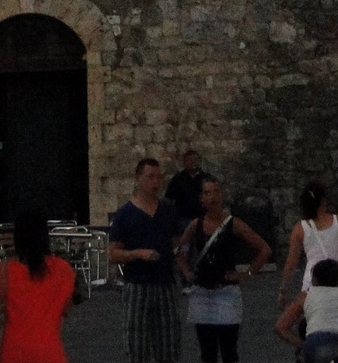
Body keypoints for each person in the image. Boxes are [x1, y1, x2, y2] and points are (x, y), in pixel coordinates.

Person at [177, 177, 270, 363]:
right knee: (207, 352)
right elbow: (179, 250)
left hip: (226, 291)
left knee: (229, 351)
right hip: (202, 292)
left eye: (215, 192)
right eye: (207, 193)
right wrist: (186, 271)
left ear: (221, 195)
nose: (212, 197)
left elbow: (264, 249)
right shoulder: (196, 225)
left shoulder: (234, 224)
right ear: (201, 198)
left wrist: (248, 273)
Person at [109, 158, 184, 363]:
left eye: (159, 177)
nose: (156, 182)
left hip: (165, 284)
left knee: (169, 346)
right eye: (150, 177)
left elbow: (176, 244)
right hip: (137, 285)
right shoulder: (124, 214)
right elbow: (113, 254)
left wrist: (184, 268)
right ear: (138, 178)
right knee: (137, 346)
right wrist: (136, 254)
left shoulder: (168, 210)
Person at [0, 207, 77, 363]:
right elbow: (66, 309)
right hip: (50, 352)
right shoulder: (63, 269)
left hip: (12, 352)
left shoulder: (4, 271)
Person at [278, 182, 338, 308]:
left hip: (312, 281)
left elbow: (291, 262)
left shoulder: (299, 229)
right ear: (323, 201)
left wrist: (283, 288)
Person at [276, 259, 338, 363]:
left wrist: (303, 344)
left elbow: (281, 327)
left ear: (315, 279)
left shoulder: (306, 296)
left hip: (316, 342)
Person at [166, 151, 207, 227]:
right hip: (183, 218)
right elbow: (169, 199)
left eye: (195, 159)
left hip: (202, 217)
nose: (193, 162)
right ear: (185, 163)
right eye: (189, 160)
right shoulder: (178, 178)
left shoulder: (206, 178)